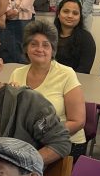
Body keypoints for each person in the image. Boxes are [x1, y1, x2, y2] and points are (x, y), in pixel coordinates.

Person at [10, 21, 88, 158]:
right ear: (26, 48)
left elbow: (78, 121)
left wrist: (43, 134)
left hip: (65, 142)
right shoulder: (17, 73)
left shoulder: (66, 74)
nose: (39, 49)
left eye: (45, 45)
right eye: (33, 44)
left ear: (53, 50)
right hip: (29, 142)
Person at [53, 0, 96, 74]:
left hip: (75, 81)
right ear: (58, 14)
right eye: (66, 11)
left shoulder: (86, 39)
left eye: (75, 13)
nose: (70, 16)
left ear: (80, 17)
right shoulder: (49, 35)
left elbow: (84, 69)